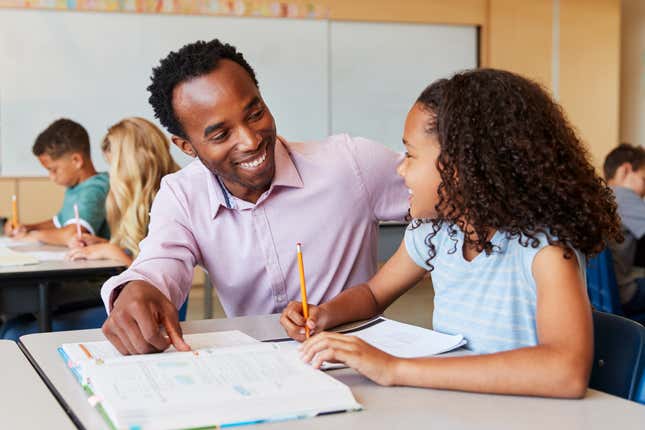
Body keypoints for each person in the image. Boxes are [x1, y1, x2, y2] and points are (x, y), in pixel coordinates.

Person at [281, 69, 622, 398]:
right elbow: (372, 294)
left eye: (410, 155)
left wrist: (395, 369)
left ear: (461, 167)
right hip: (457, 407)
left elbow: (565, 370)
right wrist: (325, 313)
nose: (400, 169)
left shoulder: (546, 251)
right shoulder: (437, 233)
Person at [99, 39, 408, 355]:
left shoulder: (349, 164)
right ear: (186, 146)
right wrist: (136, 289)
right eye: (221, 135)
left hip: (358, 364)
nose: (250, 140)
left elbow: (448, 195)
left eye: (255, 113)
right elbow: (159, 264)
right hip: (259, 373)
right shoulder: (183, 195)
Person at [67, 117, 179, 266]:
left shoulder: (168, 203)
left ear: (132, 164)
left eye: (114, 166)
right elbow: (139, 252)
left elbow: (152, 276)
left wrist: (110, 251)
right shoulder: (143, 200)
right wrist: (104, 244)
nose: (112, 175)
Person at [4, 118, 109, 245]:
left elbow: (73, 234)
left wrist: (35, 235)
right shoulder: (75, 187)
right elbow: (60, 223)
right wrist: (28, 227)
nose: (51, 177)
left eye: (53, 170)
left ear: (76, 161)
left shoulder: (95, 189)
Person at [603, 143, 645, 314]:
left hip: (606, 293)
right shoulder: (622, 195)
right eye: (644, 179)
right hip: (626, 293)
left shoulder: (602, 195)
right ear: (625, 170)